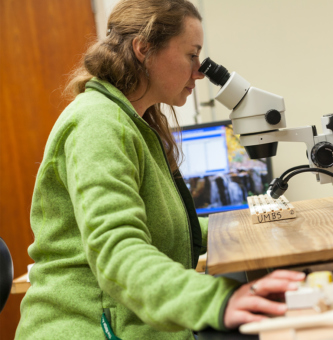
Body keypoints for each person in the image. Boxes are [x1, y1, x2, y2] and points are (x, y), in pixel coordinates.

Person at [15, 1, 304, 339]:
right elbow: (117, 251)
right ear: (143, 49)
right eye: (191, 55)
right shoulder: (98, 123)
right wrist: (218, 300)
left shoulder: (131, 123)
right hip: (90, 329)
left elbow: (164, 226)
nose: (199, 71)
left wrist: (243, 224)